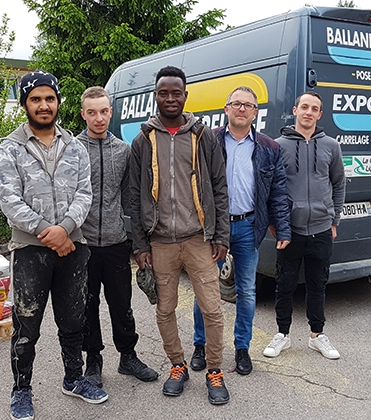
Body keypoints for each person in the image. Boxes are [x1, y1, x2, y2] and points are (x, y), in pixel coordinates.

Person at [0, 70, 107, 420]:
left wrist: (67, 229)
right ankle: (22, 390)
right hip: (31, 251)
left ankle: (73, 378)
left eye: (49, 98)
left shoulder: (74, 146)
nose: (43, 106)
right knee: (27, 324)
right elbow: (9, 200)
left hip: (74, 248)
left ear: (58, 102)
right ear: (26, 104)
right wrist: (49, 231)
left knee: (74, 320)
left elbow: (85, 193)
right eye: (36, 99)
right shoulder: (10, 148)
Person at [129, 66, 231, 405]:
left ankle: (214, 371)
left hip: (199, 239)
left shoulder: (204, 137)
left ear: (185, 96)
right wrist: (140, 244)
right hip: (159, 242)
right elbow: (134, 195)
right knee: (165, 309)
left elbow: (219, 187)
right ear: (155, 96)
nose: (170, 98)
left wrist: (221, 236)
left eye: (176, 92)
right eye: (163, 93)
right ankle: (178, 366)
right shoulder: (143, 140)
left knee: (213, 309)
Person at [191, 86, 291, 375]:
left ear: (255, 112)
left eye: (248, 105)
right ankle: (201, 345)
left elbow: (278, 192)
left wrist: (282, 228)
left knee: (246, 291)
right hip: (214, 227)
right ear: (226, 109)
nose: (242, 109)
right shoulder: (207, 141)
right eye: (236, 104)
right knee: (206, 289)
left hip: (249, 226)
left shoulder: (269, 148)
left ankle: (242, 348)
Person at [77, 86, 158, 388]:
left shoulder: (123, 151)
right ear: (83, 113)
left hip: (115, 243)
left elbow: (130, 201)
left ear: (111, 112)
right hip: (81, 245)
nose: (98, 118)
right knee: (87, 306)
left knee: (122, 304)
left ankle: (128, 356)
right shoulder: (73, 149)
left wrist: (140, 243)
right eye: (92, 112)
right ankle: (93, 360)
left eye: (103, 111)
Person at [263, 91, 346, 361]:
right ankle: (282, 335)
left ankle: (317, 336)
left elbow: (338, 183)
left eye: (315, 109)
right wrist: (276, 222)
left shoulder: (331, 146)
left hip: (321, 228)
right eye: (304, 107)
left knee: (317, 284)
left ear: (320, 115)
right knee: (284, 285)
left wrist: (334, 219)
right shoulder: (277, 146)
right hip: (290, 230)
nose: (309, 112)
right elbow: (271, 189)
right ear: (295, 110)